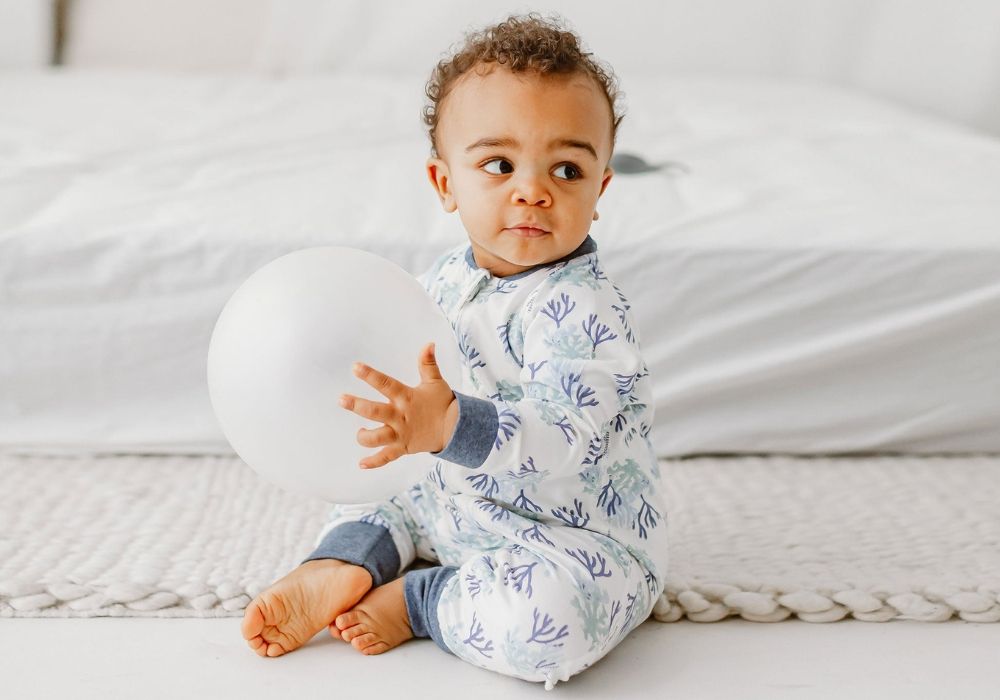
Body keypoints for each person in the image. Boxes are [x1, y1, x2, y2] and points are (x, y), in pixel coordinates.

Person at [241, 13, 668, 690]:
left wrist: (449, 427)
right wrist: (397, 422)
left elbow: (575, 434)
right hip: (450, 503)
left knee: (549, 627)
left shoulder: (584, 308)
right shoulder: (440, 282)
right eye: (499, 165)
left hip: (567, 536)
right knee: (373, 483)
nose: (534, 189)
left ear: (600, 189)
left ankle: (424, 598)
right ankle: (345, 560)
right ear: (445, 184)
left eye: (567, 167)